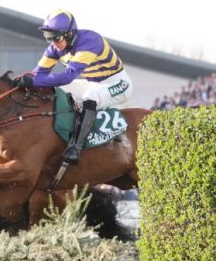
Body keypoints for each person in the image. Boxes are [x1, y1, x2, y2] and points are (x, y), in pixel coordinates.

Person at [11, 9, 133, 165]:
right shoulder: (55, 48)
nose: (53, 43)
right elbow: (38, 74)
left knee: (91, 97)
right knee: (54, 91)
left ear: (70, 34)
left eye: (56, 38)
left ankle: (75, 146)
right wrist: (24, 81)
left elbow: (68, 76)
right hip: (91, 82)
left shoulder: (90, 41)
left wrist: (34, 81)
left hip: (117, 83)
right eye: (49, 39)